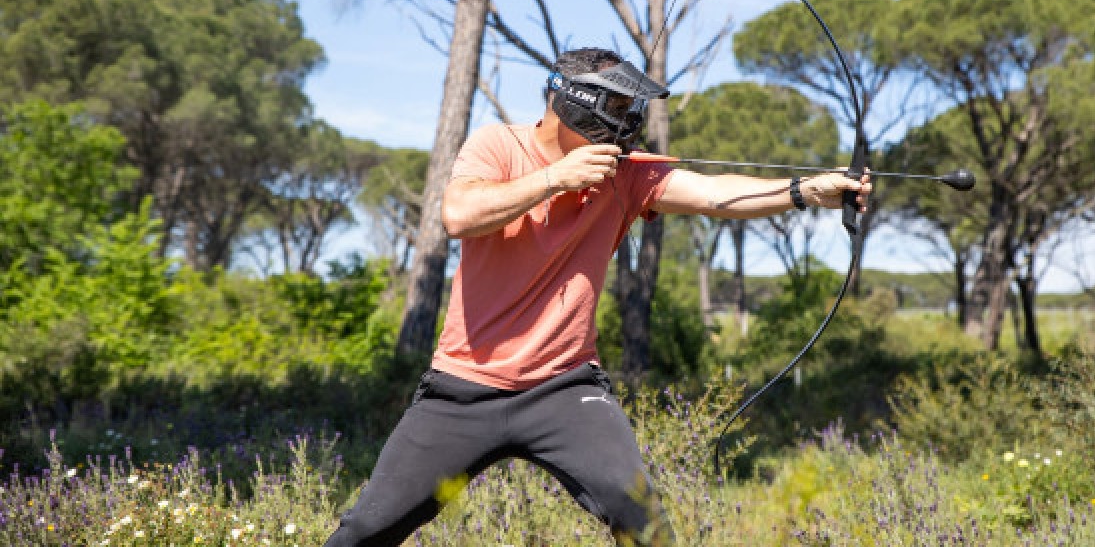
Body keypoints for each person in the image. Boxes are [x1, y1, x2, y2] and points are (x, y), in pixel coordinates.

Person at [324, 48, 872, 546]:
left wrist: (805, 190)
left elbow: (714, 194)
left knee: (644, 522)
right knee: (368, 528)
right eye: (616, 106)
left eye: (632, 109)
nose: (629, 123)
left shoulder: (627, 175)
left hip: (565, 389)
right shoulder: (497, 145)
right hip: (462, 389)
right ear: (574, 102)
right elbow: (458, 216)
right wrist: (554, 179)